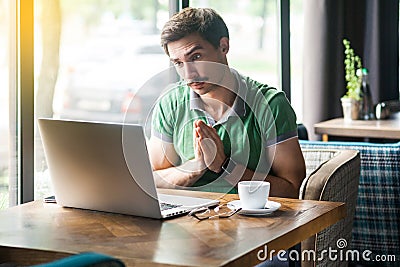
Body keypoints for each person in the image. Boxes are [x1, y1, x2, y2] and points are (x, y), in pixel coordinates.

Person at [148, 7, 305, 198]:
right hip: (185, 222)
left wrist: (225, 166)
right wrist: (197, 167)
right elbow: (153, 179)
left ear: (224, 46)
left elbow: (291, 190)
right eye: (179, 63)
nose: (189, 75)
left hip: (250, 223)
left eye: (196, 57)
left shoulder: (270, 104)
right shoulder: (169, 103)